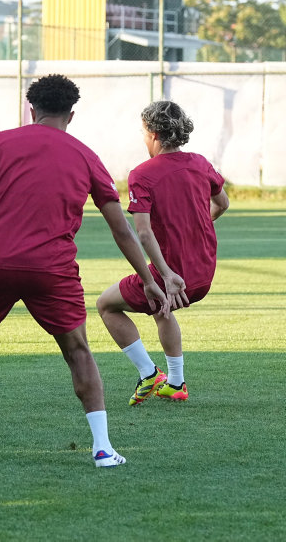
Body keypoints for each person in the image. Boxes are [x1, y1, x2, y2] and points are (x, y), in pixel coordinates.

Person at [0, 74, 171, 467]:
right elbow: (121, 227)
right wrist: (150, 280)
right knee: (78, 351)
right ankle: (102, 448)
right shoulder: (86, 155)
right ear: (71, 114)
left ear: (30, 110)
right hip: (52, 271)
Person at [97, 101, 229, 405]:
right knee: (160, 310)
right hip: (203, 273)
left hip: (173, 275)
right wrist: (195, 227)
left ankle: (148, 373)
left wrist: (167, 275)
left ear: (154, 133)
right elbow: (222, 204)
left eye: (144, 132)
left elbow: (142, 232)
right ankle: (176, 383)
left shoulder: (142, 174)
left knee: (106, 305)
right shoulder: (199, 163)